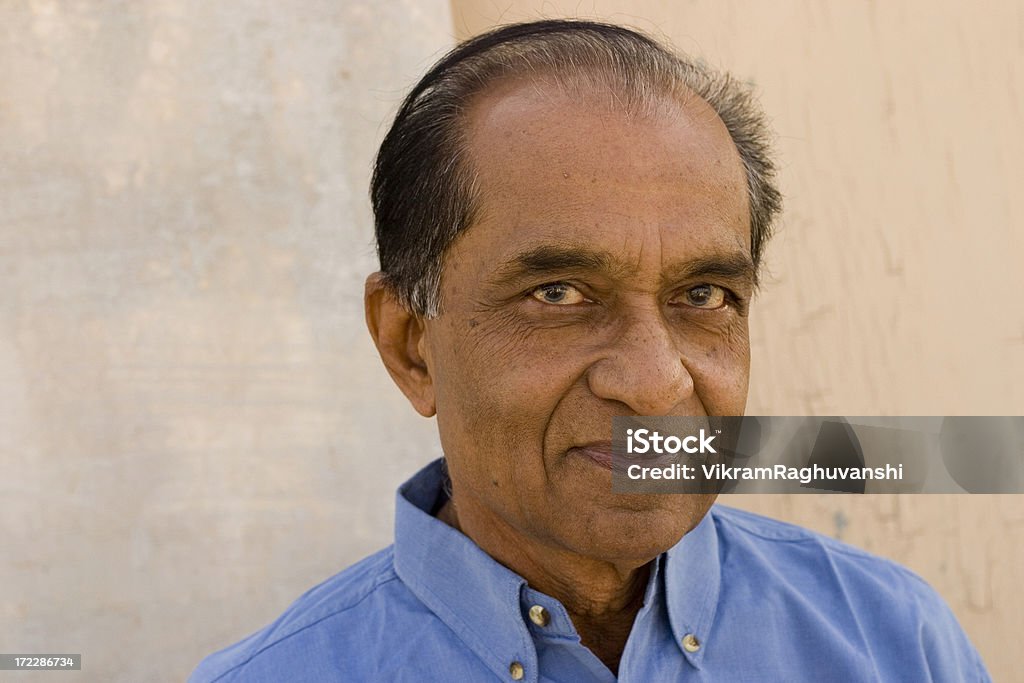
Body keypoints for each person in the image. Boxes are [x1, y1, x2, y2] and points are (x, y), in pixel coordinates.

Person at [191, 19, 989, 682]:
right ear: (411, 346)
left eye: (703, 295)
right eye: (559, 294)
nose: (652, 382)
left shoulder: (893, 643)